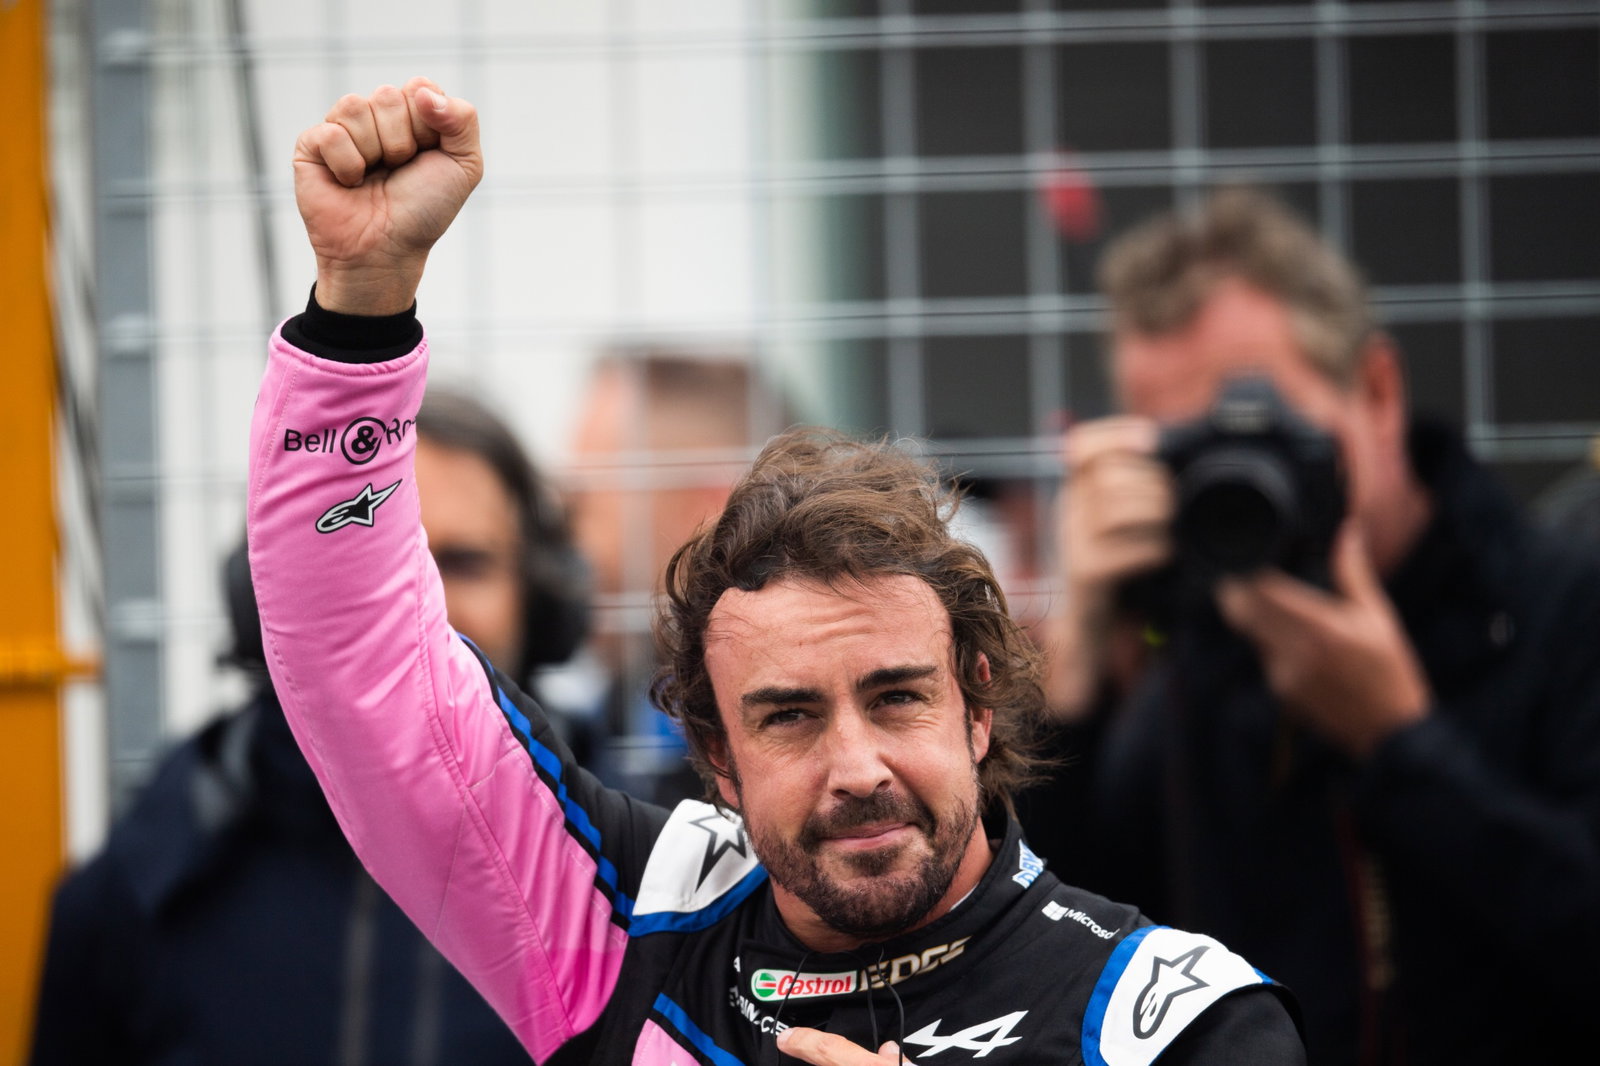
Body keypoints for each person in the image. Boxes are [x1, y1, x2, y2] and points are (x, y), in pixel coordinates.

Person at [244, 78, 1305, 1066]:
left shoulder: (1174, 1022)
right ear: (716, 753)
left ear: (978, 704)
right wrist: (358, 311)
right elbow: (367, 677)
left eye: (897, 696)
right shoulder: (626, 924)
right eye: (789, 716)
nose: (857, 767)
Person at [1024, 187, 1600, 1064]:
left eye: (1263, 430)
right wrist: (1075, 684)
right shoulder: (1198, 659)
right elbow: (1068, 958)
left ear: (1376, 389)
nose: (1234, 479)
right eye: (1193, 453)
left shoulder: (1561, 609)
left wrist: (1400, 745)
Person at [27, 387, 587, 1065]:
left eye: (463, 562)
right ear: (267, 590)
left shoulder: (633, 891)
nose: (414, 605)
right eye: (364, 557)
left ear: (544, 602)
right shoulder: (141, 893)